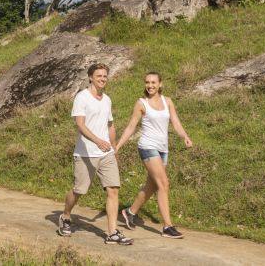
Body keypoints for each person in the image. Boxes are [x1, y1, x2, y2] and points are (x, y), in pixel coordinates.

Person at [57, 63, 133, 245]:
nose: (103, 79)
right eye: (99, 76)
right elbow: (80, 125)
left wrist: (113, 148)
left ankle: (112, 232)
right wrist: (97, 141)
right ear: (90, 77)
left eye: (105, 76)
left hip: (106, 154)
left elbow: (110, 125)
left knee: (113, 189)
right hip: (85, 153)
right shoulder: (82, 98)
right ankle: (65, 216)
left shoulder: (107, 99)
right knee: (79, 190)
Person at [115, 71, 193, 239]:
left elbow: (176, 122)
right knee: (164, 184)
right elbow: (131, 127)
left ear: (160, 84)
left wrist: (184, 136)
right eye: (147, 82)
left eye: (153, 82)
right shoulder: (141, 103)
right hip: (147, 146)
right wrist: (118, 146)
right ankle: (167, 226)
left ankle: (130, 212)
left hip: (163, 149)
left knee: (152, 186)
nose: (150, 85)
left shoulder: (168, 101)